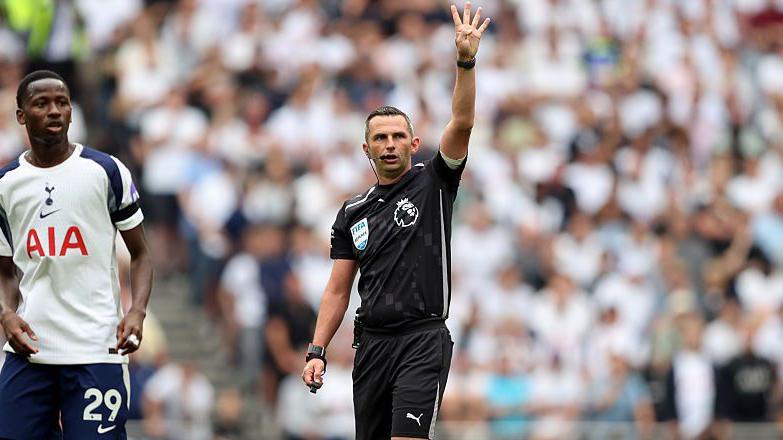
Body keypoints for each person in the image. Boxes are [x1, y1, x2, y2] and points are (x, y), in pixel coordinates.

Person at [301, 3, 490, 439]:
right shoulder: (352, 213)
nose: (390, 144)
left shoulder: (435, 181)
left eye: (398, 136)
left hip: (422, 339)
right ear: (365, 149)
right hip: (371, 344)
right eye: (380, 138)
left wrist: (465, 60)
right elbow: (337, 289)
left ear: (414, 142)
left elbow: (462, 121)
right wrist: (317, 349)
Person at [0, 70, 153, 439]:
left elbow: (141, 254)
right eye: (42, 103)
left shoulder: (106, 171)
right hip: (30, 351)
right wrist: (5, 314)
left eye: (62, 102)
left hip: (96, 349)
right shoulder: (5, 185)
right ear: (21, 115)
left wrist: (137, 311)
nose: (54, 111)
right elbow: (4, 272)